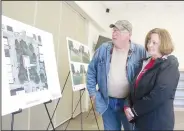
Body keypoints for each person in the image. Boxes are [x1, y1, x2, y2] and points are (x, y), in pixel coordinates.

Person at [86, 20, 147, 130]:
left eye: (118, 31)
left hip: (129, 103)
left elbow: (148, 73)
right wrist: (93, 93)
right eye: (113, 30)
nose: (114, 34)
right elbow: (91, 71)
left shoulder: (140, 51)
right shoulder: (104, 49)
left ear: (129, 34)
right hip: (107, 102)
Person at [124, 28, 180, 130]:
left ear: (163, 44)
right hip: (141, 120)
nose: (150, 45)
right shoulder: (144, 63)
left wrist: (134, 111)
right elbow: (133, 87)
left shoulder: (169, 64)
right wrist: (127, 105)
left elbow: (159, 94)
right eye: (149, 41)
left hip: (157, 123)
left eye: (154, 43)